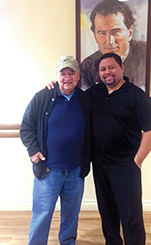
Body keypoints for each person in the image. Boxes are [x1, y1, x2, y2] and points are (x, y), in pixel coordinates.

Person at [87, 52, 151, 245]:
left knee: (131, 215)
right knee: (107, 212)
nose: (107, 72)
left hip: (125, 167)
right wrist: (52, 87)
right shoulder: (95, 93)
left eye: (111, 67)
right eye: (103, 69)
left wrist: (137, 162)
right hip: (100, 165)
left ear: (122, 68)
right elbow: (70, 96)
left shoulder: (137, 97)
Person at [20, 56, 91, 245]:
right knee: (42, 214)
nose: (67, 77)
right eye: (63, 73)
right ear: (57, 76)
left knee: (71, 215)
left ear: (78, 76)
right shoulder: (43, 97)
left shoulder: (85, 99)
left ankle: (67, 242)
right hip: (48, 170)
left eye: (71, 73)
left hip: (76, 171)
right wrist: (34, 152)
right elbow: (26, 127)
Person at [81, 0, 147, 91]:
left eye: (116, 32)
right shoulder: (87, 67)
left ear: (130, 32)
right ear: (95, 36)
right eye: (102, 33)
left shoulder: (147, 56)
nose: (110, 41)